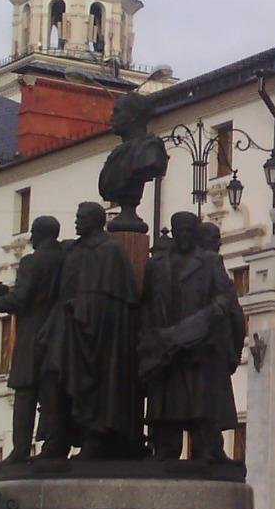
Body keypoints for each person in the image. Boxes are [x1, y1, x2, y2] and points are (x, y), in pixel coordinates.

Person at [36, 201, 143, 460]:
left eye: (82, 217)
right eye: (77, 217)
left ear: (96, 220)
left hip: (98, 334)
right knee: (53, 378)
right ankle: (56, 439)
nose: (76, 222)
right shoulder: (72, 249)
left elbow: (120, 298)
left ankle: (93, 439)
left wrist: (85, 306)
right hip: (66, 326)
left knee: (94, 386)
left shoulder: (111, 250)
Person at [139, 211, 245, 462]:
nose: (183, 235)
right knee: (167, 405)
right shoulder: (156, 265)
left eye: (188, 230)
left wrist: (202, 321)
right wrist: (153, 337)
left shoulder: (209, 262)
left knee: (201, 403)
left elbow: (223, 298)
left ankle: (209, 448)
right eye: (179, 231)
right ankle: (165, 449)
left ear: (195, 233)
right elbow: (146, 303)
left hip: (200, 345)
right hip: (167, 347)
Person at [0, 216, 65, 463]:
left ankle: (20, 449)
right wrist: (0, 291)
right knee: (52, 395)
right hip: (59, 336)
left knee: (25, 394)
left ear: (39, 234)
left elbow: (20, 300)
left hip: (32, 335)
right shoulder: (66, 259)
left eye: (33, 232)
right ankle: (55, 446)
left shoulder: (32, 261)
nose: (31, 237)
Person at [98, 92, 169, 233]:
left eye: (117, 112)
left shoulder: (150, 149)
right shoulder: (118, 153)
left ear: (133, 116)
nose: (112, 118)